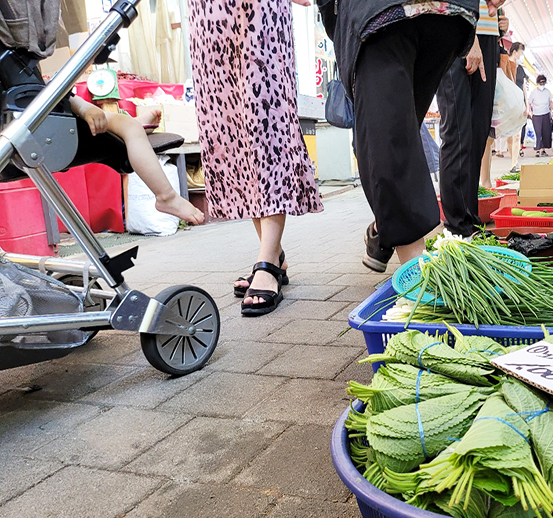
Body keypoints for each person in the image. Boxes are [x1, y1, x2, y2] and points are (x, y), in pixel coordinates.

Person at [318, 0, 503, 271]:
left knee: (390, 137)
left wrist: (336, 23)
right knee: (395, 133)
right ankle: (408, 254)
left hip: (393, 15)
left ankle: (416, 274)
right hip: (439, 17)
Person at [188, 0, 323, 316]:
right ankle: (273, 255)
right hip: (208, 14)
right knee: (234, 134)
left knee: (266, 128)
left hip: (260, 10)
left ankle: (268, 261)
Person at [70, 97, 204, 226]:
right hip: (63, 126)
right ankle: (166, 197)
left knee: (128, 125)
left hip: (63, 115)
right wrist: (83, 107)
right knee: (130, 127)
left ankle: (133, 125)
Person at [437, 1, 502, 239]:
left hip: (488, 34)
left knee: (477, 134)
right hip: (455, 27)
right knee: (457, 131)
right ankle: (457, 226)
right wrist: (469, 34)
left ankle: (470, 221)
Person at [506, 41, 526, 172]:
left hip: (519, 103)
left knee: (517, 135)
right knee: (509, 136)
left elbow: (524, 87)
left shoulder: (521, 69)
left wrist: (527, 104)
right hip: (508, 103)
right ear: (515, 52)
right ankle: (512, 159)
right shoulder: (505, 64)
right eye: (521, 53)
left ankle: (514, 163)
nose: (521, 55)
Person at [529, 74, 553, 158]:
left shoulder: (547, 92)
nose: (542, 85)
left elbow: (550, 102)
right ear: (537, 83)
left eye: (543, 83)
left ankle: (543, 150)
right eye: (540, 83)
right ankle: (537, 150)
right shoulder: (533, 93)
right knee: (538, 132)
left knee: (545, 132)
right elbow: (529, 103)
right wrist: (529, 112)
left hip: (546, 114)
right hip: (536, 115)